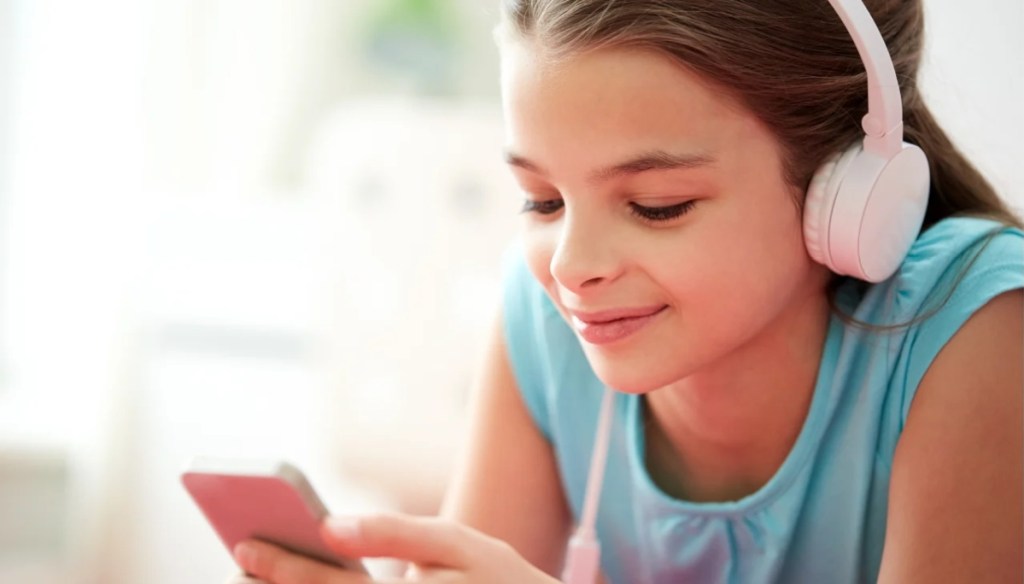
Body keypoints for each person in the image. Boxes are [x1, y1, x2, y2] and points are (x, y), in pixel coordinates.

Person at [227, 1, 1023, 582]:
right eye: (541, 200)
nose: (572, 266)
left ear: (852, 196)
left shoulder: (975, 328)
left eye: (656, 206)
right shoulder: (545, 316)